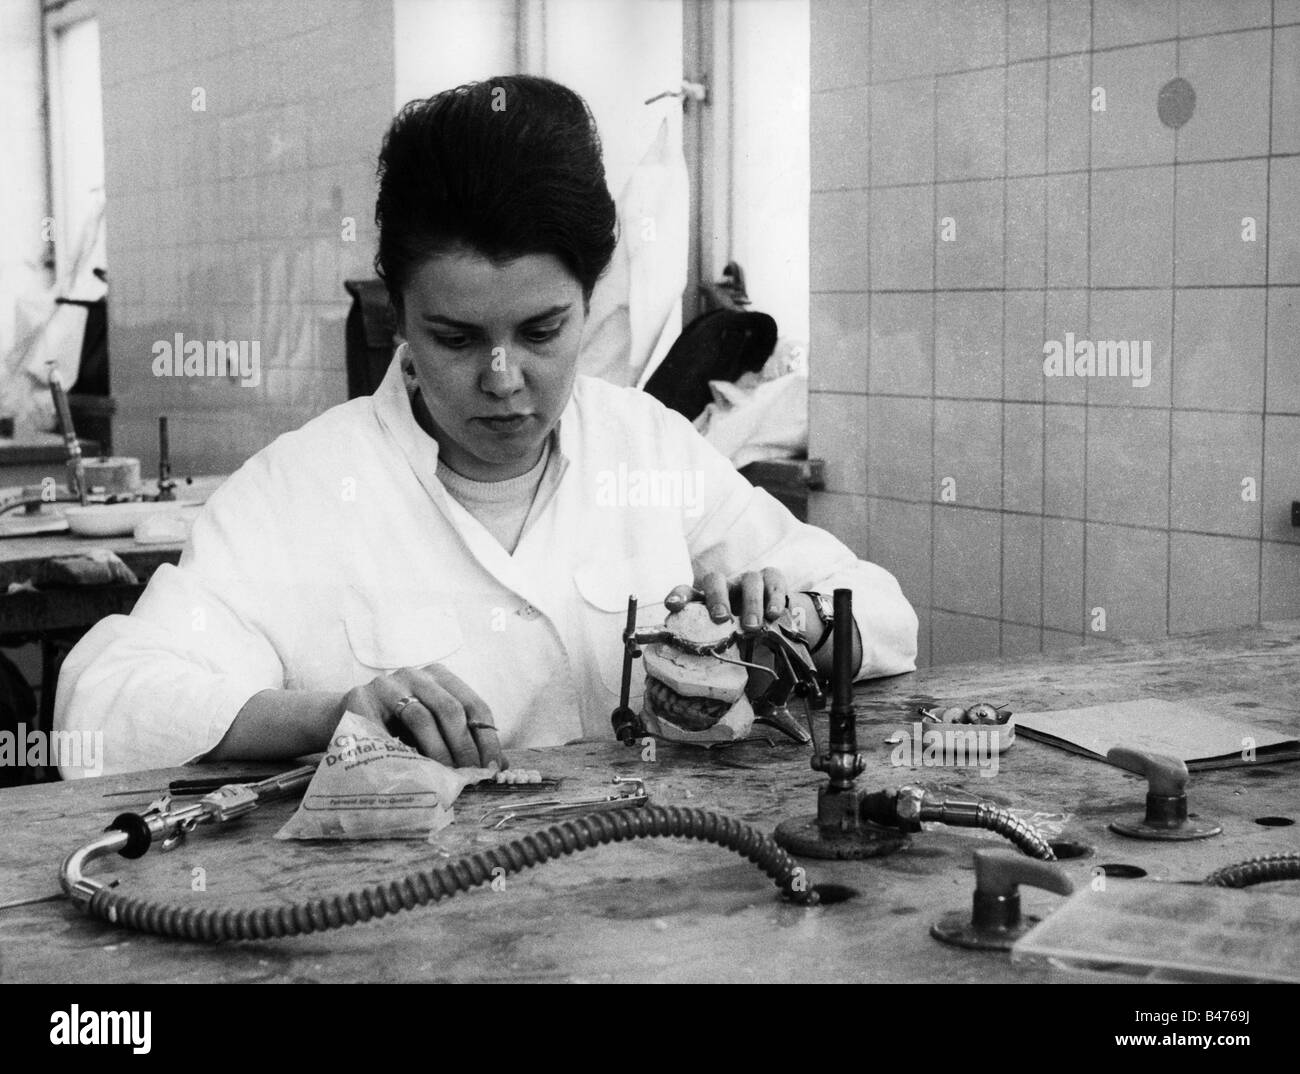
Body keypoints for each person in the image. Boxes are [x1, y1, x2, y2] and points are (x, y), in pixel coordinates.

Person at [54, 76, 917, 778]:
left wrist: (798, 621)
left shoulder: (646, 449)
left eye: (541, 332)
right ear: (399, 316)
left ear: (590, 303)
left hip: (653, 905)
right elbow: (102, 704)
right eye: (457, 338)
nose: (503, 381)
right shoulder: (304, 487)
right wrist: (332, 714)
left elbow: (884, 616)